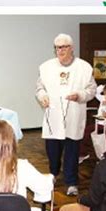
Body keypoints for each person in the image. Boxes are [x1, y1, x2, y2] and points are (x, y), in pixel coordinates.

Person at [36, 33, 96, 196]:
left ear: (71, 48)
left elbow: (91, 90)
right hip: (53, 116)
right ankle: (53, 174)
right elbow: (39, 88)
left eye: (64, 47)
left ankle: (71, 182)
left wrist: (80, 96)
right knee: (53, 150)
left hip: (73, 115)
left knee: (72, 150)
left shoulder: (84, 68)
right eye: (57, 47)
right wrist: (43, 97)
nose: (60, 50)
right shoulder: (46, 67)